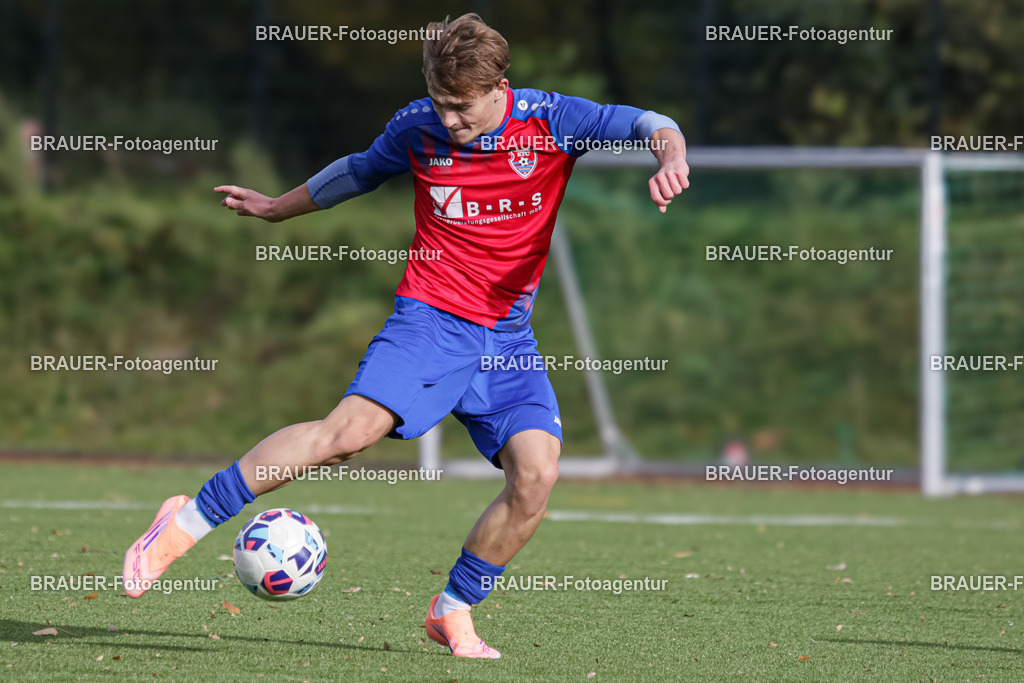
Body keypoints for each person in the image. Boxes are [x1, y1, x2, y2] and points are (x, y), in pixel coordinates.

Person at [123, 13, 688, 659]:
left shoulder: (552, 119)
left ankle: (452, 609)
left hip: (508, 338)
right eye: (440, 102)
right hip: (432, 316)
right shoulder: (417, 125)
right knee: (345, 436)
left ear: (499, 85)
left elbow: (649, 122)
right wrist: (278, 205)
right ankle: (184, 521)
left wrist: (670, 156)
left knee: (536, 474)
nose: (447, 119)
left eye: (461, 107)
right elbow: (360, 170)